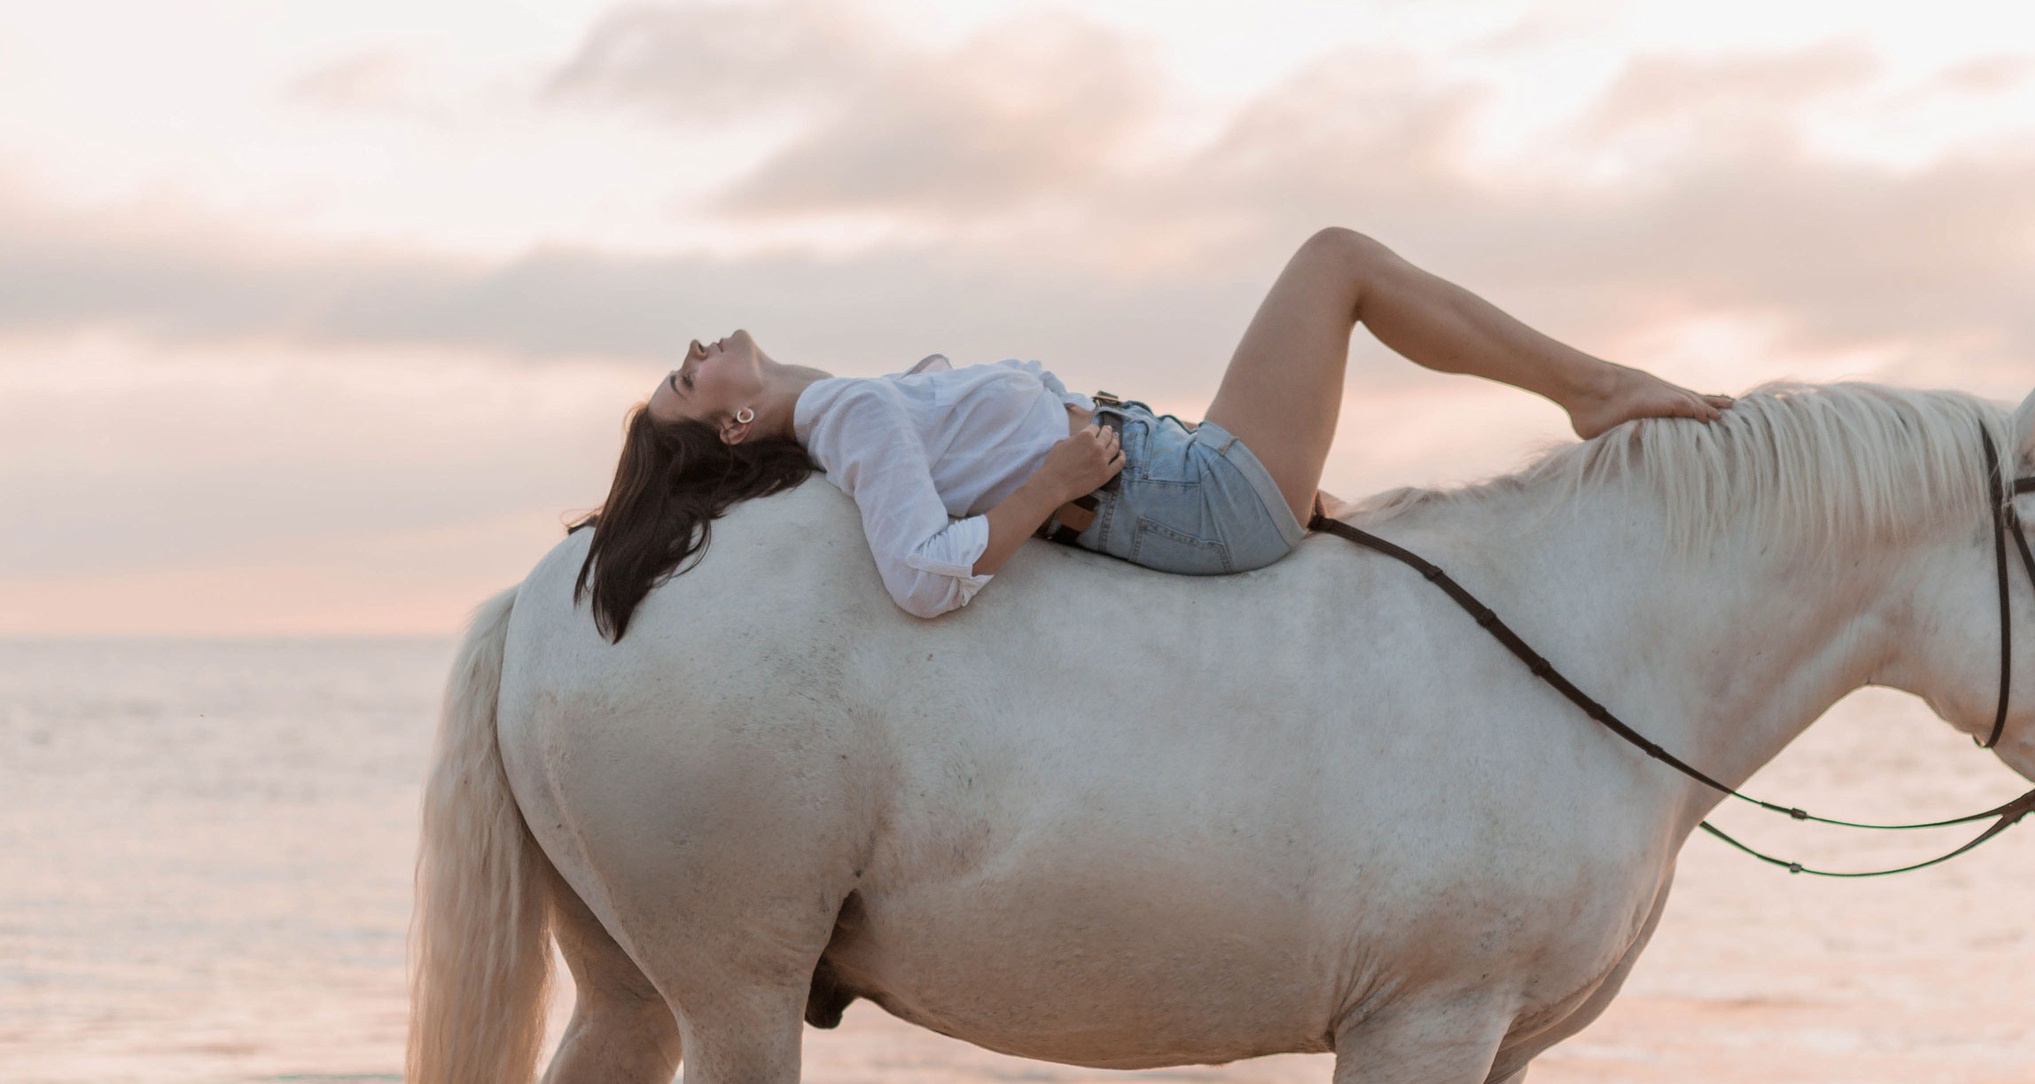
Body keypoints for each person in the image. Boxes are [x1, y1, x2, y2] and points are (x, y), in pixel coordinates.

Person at [577, 228, 1731, 639]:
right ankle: (1590, 388)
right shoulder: (849, 411)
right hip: (1187, 495)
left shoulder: (850, 406)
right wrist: (1053, 481)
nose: (696, 346)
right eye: (687, 378)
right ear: (733, 417)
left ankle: (1590, 386)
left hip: (1175, 476)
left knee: (1336, 260)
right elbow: (921, 578)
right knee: (1337, 260)